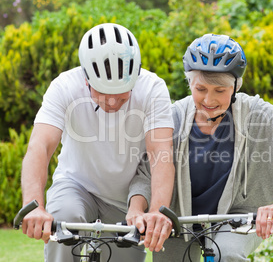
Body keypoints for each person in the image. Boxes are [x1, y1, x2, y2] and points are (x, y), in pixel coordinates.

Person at [152, 34, 273, 261]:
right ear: (189, 84)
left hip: (239, 212)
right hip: (180, 214)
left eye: (220, 91)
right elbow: (147, 166)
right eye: (200, 89)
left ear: (235, 87)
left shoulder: (255, 112)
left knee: (227, 253)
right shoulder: (174, 116)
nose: (209, 99)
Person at [20, 23, 175, 262]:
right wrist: (34, 206)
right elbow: (40, 146)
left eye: (122, 94)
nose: (112, 102)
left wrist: (156, 212)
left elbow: (161, 153)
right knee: (64, 218)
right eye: (102, 93)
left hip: (126, 200)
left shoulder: (153, 88)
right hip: (75, 185)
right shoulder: (63, 86)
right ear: (86, 79)